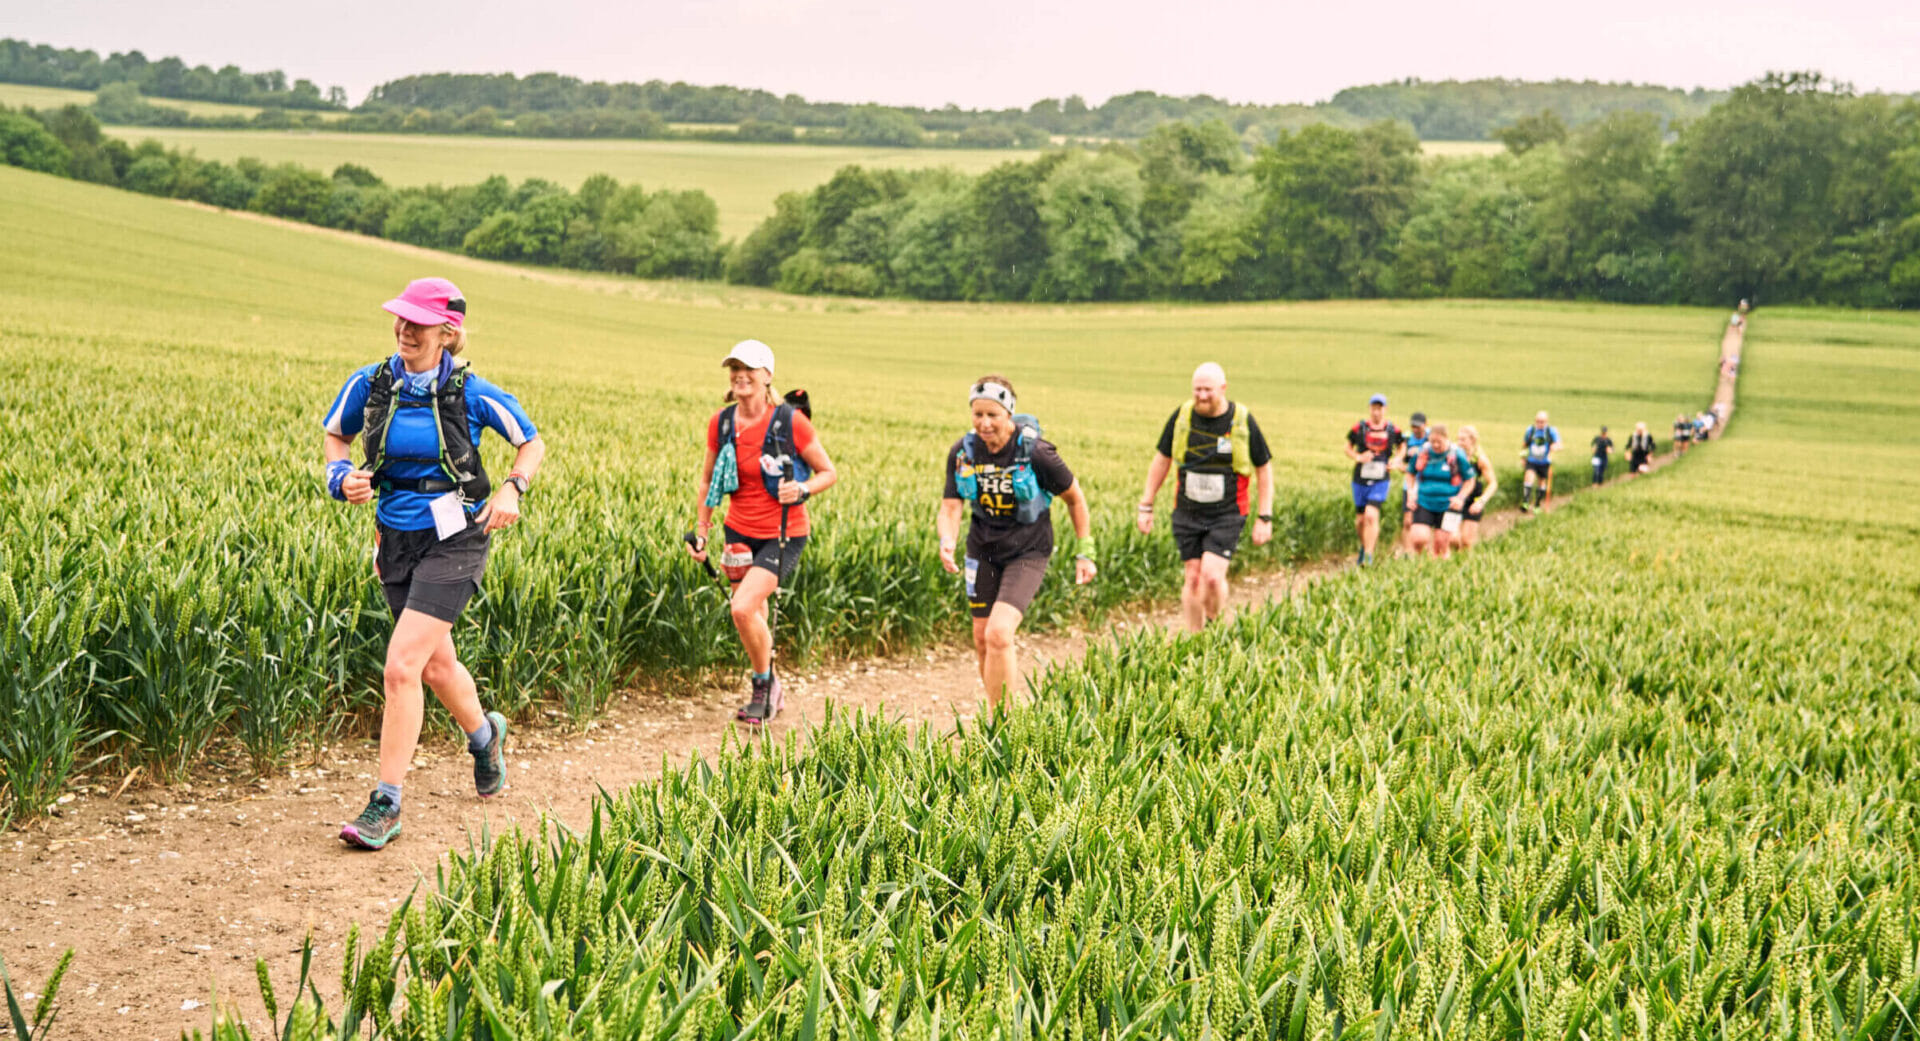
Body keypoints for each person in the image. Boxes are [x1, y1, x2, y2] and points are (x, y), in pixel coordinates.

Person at [321, 277, 545, 851]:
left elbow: (531, 442)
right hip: (395, 537)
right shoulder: (371, 383)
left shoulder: (472, 393)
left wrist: (513, 489)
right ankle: (484, 735)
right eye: (400, 320)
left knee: (401, 667)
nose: (404, 330)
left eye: (417, 324)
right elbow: (334, 436)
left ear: (448, 333)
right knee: (436, 668)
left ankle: (385, 804)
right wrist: (340, 477)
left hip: (458, 538)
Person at [688, 340, 838, 725]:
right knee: (751, 612)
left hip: (784, 533)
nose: (740, 375)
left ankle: (763, 684)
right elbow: (707, 481)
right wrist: (702, 530)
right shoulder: (721, 423)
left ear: (767, 375)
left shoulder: (791, 422)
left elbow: (828, 473)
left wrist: (802, 489)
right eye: (734, 368)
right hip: (737, 529)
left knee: (741, 609)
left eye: (749, 368)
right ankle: (770, 684)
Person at [939, 376, 1094, 708]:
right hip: (982, 550)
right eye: (977, 414)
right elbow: (951, 506)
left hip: (1028, 550)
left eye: (992, 415)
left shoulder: (1036, 453)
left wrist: (1086, 552)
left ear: (1008, 413)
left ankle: (1008, 727)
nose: (984, 423)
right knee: (982, 639)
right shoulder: (963, 453)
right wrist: (947, 539)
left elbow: (1075, 499)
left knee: (999, 633)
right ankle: (1000, 716)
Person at [1138, 362, 1274, 632]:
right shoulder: (1182, 418)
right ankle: (1195, 640)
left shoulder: (1241, 421)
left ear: (1223, 389)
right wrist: (1146, 504)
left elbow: (1264, 469)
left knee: (1211, 577)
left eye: (1208, 390)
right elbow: (1162, 460)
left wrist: (1264, 516)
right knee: (1192, 577)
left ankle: (1214, 624)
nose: (1201, 396)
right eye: (1197, 389)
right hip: (1188, 511)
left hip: (1228, 512)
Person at [1343, 393, 1402, 566]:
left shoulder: (1392, 429)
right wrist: (1358, 457)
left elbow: (1402, 446)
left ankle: (1368, 556)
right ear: (1370, 409)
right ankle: (1364, 546)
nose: (1376, 412)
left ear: (1385, 409)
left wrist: (1396, 460)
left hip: (1381, 478)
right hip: (1360, 477)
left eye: (1380, 408)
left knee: (1371, 515)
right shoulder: (1359, 427)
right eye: (1374, 408)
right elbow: (1347, 447)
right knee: (1360, 520)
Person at [1405, 423, 1473, 559]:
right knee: (1418, 538)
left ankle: (1443, 571)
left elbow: (1470, 480)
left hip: (1449, 504)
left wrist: (1461, 497)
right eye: (1432, 442)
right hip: (1424, 501)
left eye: (1439, 442)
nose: (1435, 445)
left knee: (1442, 543)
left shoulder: (1457, 455)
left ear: (1446, 439)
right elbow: (1410, 473)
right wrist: (1411, 493)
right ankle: (1422, 565)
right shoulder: (1422, 452)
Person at [1453, 425, 1498, 552]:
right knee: (1453, 539)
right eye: (1458, 439)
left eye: (1463, 440)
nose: (1459, 443)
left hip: (1473, 500)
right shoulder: (1453, 456)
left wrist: (1481, 502)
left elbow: (1493, 483)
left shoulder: (1480, 459)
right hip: (1456, 498)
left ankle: (1464, 567)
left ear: (1472, 441)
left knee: (1466, 540)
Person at [1394, 411, 1430, 555]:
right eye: (1413, 426)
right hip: (1410, 485)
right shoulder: (1406, 439)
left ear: (1425, 425)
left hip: (1427, 485)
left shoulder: (1431, 438)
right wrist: (1404, 468)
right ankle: (1408, 552)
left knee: (1424, 521)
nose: (1415, 429)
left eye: (1418, 426)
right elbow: (1399, 460)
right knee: (1408, 521)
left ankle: (1424, 550)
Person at [1519, 411, 1560, 513]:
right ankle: (1526, 502)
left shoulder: (1551, 431)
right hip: (1532, 461)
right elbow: (1525, 444)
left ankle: (1537, 504)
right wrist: (1523, 458)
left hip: (1544, 462)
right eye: (1538, 421)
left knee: (1541, 483)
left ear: (1546, 421)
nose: (1540, 424)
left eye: (1542, 422)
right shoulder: (1531, 430)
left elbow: (1559, 444)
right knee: (1529, 478)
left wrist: (1555, 446)